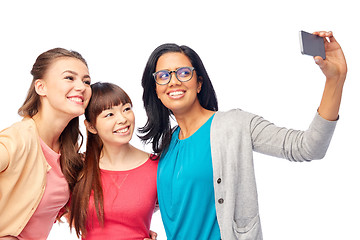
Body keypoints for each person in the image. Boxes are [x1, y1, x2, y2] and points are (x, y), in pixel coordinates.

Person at [138, 31, 347, 240]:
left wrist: (335, 79)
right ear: (156, 89)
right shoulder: (165, 148)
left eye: (184, 73)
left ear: (199, 83)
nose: (173, 81)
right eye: (163, 76)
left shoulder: (234, 125)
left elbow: (308, 147)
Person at [0, 48, 92, 239]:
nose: (81, 87)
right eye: (69, 78)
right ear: (41, 87)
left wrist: (132, 230)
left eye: (86, 81)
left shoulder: (68, 151)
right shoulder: (17, 140)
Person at [69, 82, 158, 240]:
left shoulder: (157, 167)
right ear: (91, 126)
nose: (123, 119)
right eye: (109, 114)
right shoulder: (78, 167)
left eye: (126, 109)